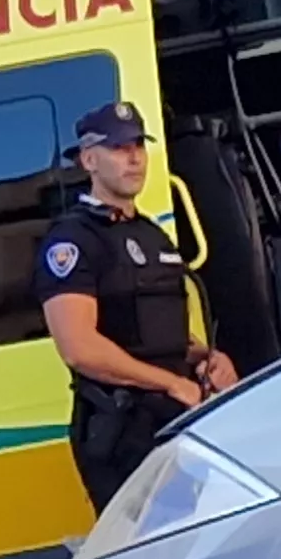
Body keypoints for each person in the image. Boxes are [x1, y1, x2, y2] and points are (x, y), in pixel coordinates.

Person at [39, 104, 234, 511]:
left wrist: (207, 358)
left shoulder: (149, 234)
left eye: (138, 147)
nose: (134, 158)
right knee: (151, 557)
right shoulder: (73, 239)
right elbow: (79, 348)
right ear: (89, 160)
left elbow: (156, 328)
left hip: (172, 419)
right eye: (118, 148)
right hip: (121, 431)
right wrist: (170, 383)